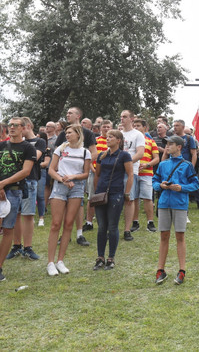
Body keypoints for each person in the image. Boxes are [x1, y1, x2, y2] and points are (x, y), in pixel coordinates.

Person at [0, 118, 36, 281]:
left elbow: (26, 171)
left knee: (7, 229)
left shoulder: (28, 148)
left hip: (13, 192)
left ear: (23, 128)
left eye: (15, 125)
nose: (12, 128)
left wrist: (2, 184)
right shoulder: (0, 146)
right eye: (10, 125)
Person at [153, 135, 199, 285]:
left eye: (171, 144)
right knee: (164, 236)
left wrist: (181, 188)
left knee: (180, 236)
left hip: (180, 204)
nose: (167, 146)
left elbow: (196, 184)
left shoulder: (187, 165)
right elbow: (155, 181)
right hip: (164, 203)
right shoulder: (163, 164)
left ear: (179, 147)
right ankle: (160, 270)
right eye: (167, 144)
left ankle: (182, 270)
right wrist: (160, 185)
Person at [46, 124, 91, 276]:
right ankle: (50, 262)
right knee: (55, 224)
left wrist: (73, 177)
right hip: (60, 186)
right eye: (66, 132)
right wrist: (63, 179)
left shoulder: (85, 152)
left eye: (70, 132)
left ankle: (60, 260)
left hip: (77, 188)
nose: (67, 135)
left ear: (78, 134)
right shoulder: (61, 149)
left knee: (68, 224)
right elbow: (51, 169)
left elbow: (86, 174)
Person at [55, 107, 97, 247]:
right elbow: (57, 153)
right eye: (66, 112)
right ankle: (64, 234)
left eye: (70, 113)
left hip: (80, 176)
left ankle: (79, 234)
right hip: (63, 177)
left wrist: (84, 166)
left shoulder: (88, 133)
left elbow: (94, 152)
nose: (67, 115)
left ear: (78, 116)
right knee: (63, 204)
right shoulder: (63, 134)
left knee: (78, 204)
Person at [5, 118, 46, 261]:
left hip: (30, 180)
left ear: (27, 126)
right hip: (13, 181)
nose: (14, 128)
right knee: (15, 214)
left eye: (17, 125)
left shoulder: (39, 142)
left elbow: (34, 158)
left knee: (28, 215)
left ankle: (28, 248)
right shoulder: (12, 142)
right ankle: (16, 246)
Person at [92, 130, 133, 271]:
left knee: (113, 226)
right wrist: (96, 192)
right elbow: (97, 175)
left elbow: (130, 174)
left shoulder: (124, 155)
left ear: (118, 140)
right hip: (101, 193)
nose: (108, 139)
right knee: (101, 226)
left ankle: (111, 258)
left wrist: (127, 192)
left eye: (111, 137)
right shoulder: (101, 155)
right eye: (107, 136)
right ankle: (100, 257)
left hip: (116, 193)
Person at [119, 110, 145, 241]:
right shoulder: (118, 134)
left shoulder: (138, 135)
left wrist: (127, 163)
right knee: (115, 199)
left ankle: (127, 229)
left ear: (132, 119)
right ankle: (112, 228)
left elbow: (140, 153)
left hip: (130, 171)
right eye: (121, 117)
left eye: (125, 117)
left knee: (129, 199)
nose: (122, 119)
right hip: (117, 171)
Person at [131, 118, 159, 233]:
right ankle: (135, 222)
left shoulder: (151, 141)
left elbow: (157, 158)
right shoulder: (131, 140)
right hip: (133, 173)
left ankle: (150, 222)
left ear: (145, 128)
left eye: (138, 125)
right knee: (134, 198)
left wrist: (147, 164)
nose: (136, 128)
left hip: (147, 174)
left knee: (147, 198)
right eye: (135, 126)